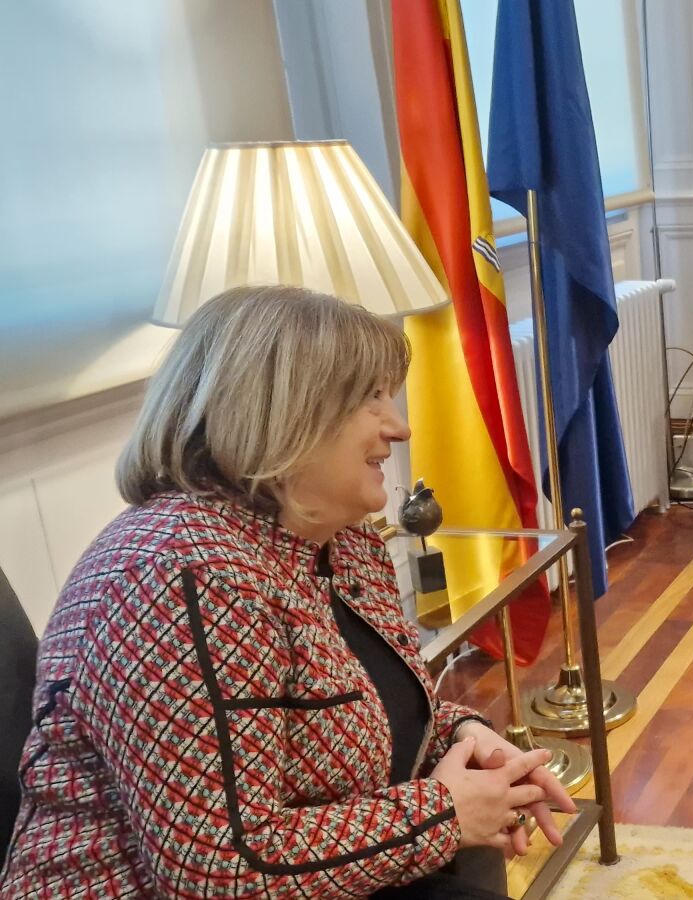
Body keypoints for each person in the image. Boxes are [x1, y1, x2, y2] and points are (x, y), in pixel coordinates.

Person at [0, 285, 577, 899]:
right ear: (281, 413)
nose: (400, 426)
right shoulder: (182, 577)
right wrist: (442, 814)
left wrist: (464, 734)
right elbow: (219, 874)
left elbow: (364, 716)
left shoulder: (342, 541)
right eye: (370, 398)